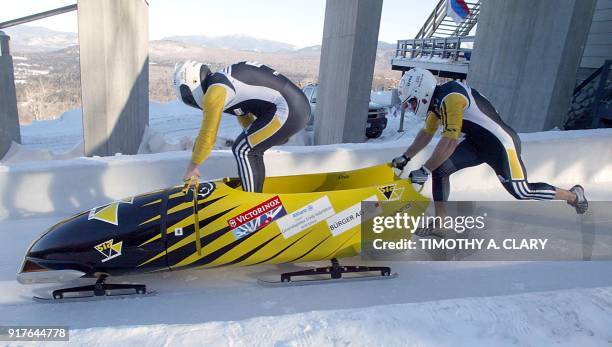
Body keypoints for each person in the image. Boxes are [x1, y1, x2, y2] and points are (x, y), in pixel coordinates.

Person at [391, 68, 588, 214]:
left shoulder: (450, 98)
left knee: (522, 191)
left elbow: (449, 142)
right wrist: (405, 158)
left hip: (501, 145)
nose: (410, 107)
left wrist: (424, 170)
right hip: (476, 144)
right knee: (441, 170)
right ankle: (440, 224)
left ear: (422, 94)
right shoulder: (437, 103)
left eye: (412, 101)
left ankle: (573, 195)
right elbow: (426, 134)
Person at [173, 61, 309, 192]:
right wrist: (261, 135)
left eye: (187, 97)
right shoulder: (221, 81)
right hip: (296, 106)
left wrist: (192, 166)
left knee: (243, 149)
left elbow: (207, 135)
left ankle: (253, 206)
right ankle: (255, 194)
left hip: (289, 109)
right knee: (250, 149)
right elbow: (243, 114)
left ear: (192, 85)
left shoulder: (215, 92)